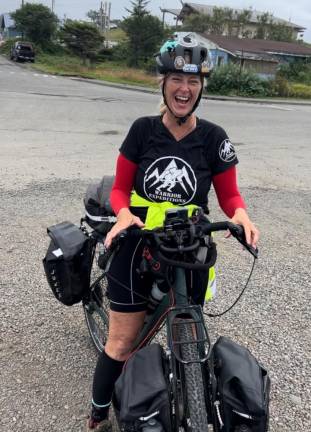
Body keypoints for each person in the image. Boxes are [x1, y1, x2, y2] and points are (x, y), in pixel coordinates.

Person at [86, 35, 259, 431]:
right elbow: (118, 188)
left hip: (189, 243)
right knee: (123, 342)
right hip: (139, 238)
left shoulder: (214, 138)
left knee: (190, 336)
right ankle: (97, 413)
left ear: (201, 89)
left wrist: (243, 217)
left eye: (194, 81)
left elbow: (229, 194)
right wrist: (125, 214)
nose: (185, 88)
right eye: (177, 79)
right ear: (162, 83)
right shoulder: (143, 130)